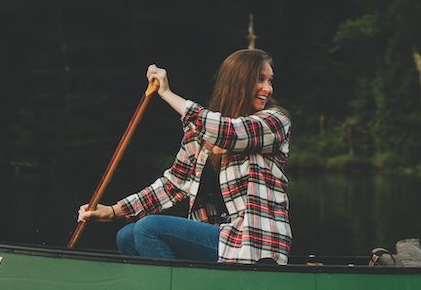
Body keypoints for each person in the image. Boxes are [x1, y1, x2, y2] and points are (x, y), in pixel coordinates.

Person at [77, 49, 292, 264]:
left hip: (256, 242)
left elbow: (228, 132)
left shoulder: (274, 122)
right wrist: (113, 211)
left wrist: (166, 93)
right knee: (127, 236)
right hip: (222, 240)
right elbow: (172, 185)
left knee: (149, 228)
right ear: (239, 83)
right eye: (260, 80)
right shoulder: (200, 135)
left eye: (270, 81)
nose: (268, 89)